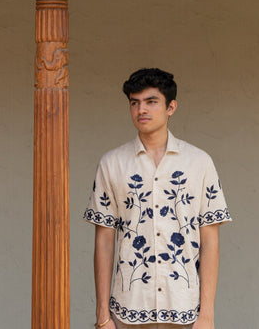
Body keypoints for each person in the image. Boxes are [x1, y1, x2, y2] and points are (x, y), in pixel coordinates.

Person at [83, 68, 232, 329]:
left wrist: (206, 316)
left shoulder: (199, 163)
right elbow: (104, 241)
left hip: (185, 311)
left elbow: (210, 241)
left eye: (151, 102)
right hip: (127, 310)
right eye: (134, 103)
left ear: (171, 107)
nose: (142, 110)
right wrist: (102, 316)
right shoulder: (112, 164)